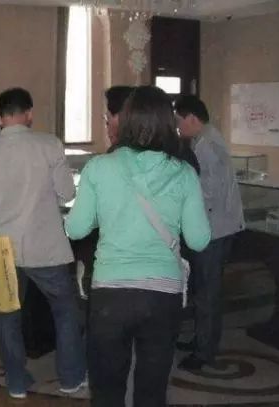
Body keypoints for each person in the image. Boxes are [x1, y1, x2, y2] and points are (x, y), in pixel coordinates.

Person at [65, 86, 211, 407]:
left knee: (106, 389)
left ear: (126, 120)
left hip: (111, 293)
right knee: (152, 389)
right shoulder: (184, 173)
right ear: (168, 122)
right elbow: (199, 239)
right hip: (162, 294)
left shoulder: (99, 167)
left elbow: (75, 229)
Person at [0, 87, 86, 399]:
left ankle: (16, 383)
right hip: (47, 247)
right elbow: (67, 193)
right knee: (65, 311)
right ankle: (71, 378)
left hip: (5, 249)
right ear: (30, 113)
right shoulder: (50, 145)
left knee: (9, 317)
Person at [175, 94, 245, 371]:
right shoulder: (208, 138)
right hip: (217, 227)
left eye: (179, 121)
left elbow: (208, 193)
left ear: (192, 118)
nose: (178, 127)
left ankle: (204, 351)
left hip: (214, 231)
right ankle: (201, 339)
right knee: (205, 289)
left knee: (207, 292)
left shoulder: (206, 146)